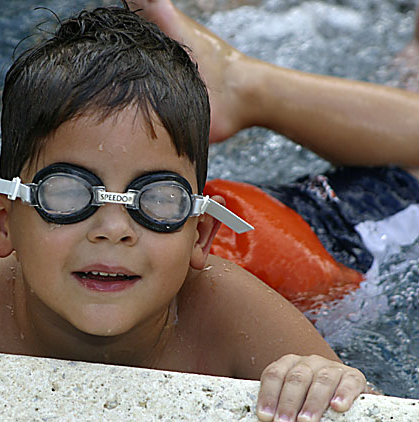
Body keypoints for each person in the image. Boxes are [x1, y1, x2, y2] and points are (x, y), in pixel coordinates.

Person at [0, 5, 367, 422]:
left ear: (200, 235)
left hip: (310, 235)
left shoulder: (231, 314)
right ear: (2, 221)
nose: (112, 230)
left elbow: (368, 405)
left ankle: (251, 87)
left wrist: (322, 380)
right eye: (67, 194)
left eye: (155, 198)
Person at [125, 0, 419, 308]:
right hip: (271, 237)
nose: (112, 232)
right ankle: (243, 87)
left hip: (283, 237)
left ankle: (243, 87)